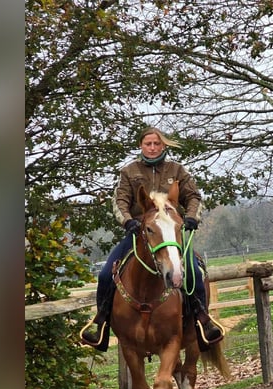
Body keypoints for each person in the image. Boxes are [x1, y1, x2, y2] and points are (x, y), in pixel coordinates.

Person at [80, 127, 224, 351]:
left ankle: (202, 321)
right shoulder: (129, 171)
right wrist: (128, 221)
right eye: (148, 144)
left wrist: (191, 217)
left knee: (194, 271)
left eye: (157, 143)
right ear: (141, 146)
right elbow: (120, 201)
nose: (153, 147)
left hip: (170, 233)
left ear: (163, 145)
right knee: (107, 273)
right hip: (141, 231)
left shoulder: (176, 170)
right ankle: (100, 324)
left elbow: (193, 196)